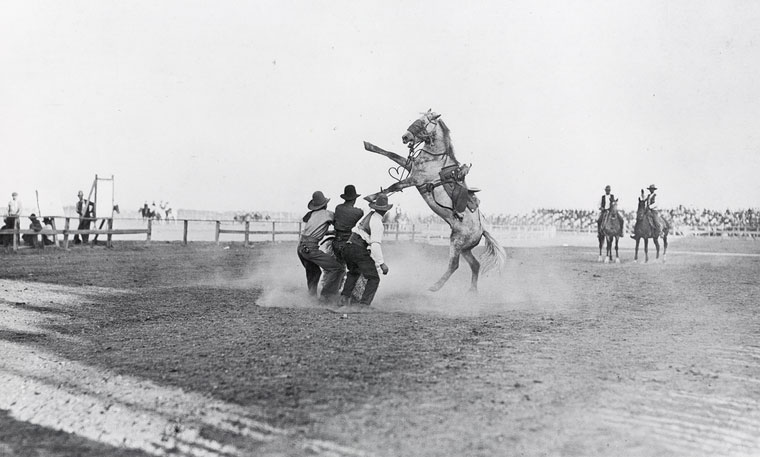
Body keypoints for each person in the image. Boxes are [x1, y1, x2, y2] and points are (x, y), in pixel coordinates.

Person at [339, 193, 392, 307]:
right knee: (373, 278)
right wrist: (381, 264)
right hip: (358, 248)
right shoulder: (378, 222)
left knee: (353, 273)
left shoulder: (368, 214)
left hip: (348, 246)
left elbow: (368, 200)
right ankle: (363, 305)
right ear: (385, 211)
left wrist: (378, 196)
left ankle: (343, 299)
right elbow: (375, 245)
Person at [297, 191, 344, 303]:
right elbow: (340, 222)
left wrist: (328, 232)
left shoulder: (312, 214)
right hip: (310, 248)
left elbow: (312, 225)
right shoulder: (328, 214)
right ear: (325, 204)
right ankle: (326, 297)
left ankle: (311, 297)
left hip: (301, 246)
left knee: (314, 272)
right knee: (337, 268)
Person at [332, 184, 364, 266]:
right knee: (355, 270)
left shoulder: (338, 208)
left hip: (336, 243)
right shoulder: (358, 212)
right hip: (348, 244)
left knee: (340, 267)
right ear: (355, 199)